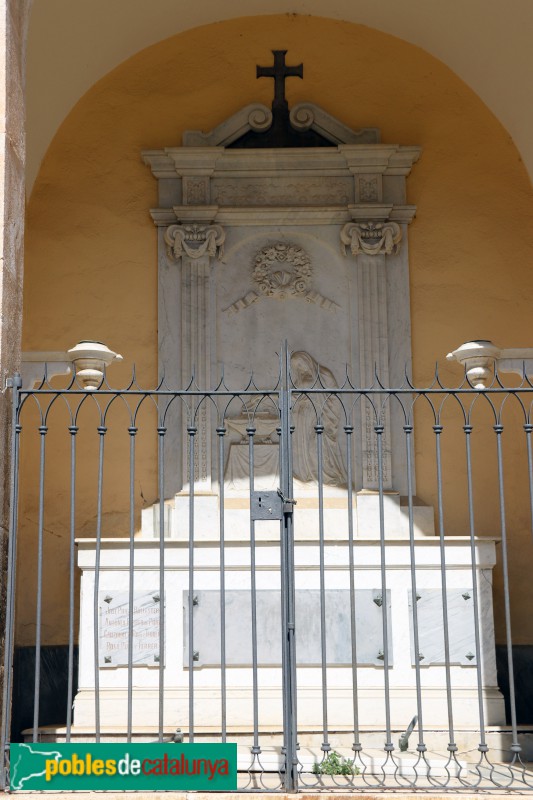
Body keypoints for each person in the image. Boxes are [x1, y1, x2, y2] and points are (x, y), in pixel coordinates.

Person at [290, 351, 346, 486]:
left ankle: (325, 477)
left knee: (317, 446)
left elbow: (334, 398)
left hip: (319, 416)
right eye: (296, 367)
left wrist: (328, 415)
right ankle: (308, 475)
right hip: (303, 417)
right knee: (305, 446)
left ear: (307, 361)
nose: (299, 369)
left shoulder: (324, 375)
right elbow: (294, 396)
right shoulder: (300, 380)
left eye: (300, 364)